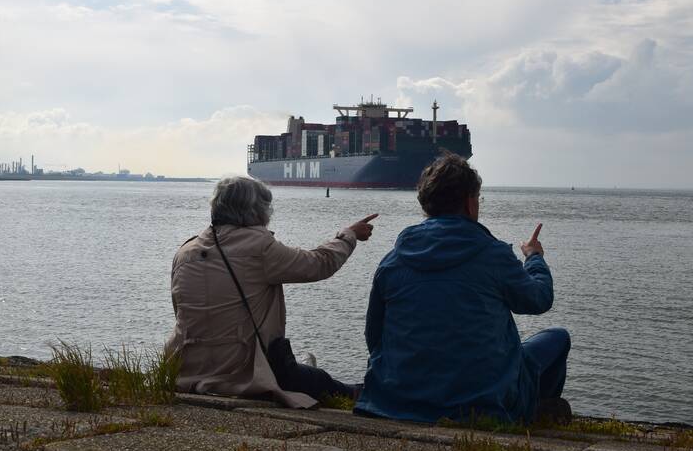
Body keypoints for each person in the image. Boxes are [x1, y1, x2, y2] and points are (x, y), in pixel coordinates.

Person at [354, 153, 571, 424]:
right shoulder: (493, 255)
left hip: (393, 401)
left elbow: (374, 336)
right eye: (478, 199)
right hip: (481, 404)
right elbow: (539, 299)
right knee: (557, 338)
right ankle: (529, 415)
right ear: (470, 202)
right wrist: (534, 257)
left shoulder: (392, 261)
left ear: (427, 205)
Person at [165, 176, 377, 408]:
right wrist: (349, 235)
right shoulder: (259, 248)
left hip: (185, 370)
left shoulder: (185, 252)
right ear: (256, 210)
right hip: (242, 371)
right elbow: (319, 264)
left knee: (306, 372)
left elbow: (180, 311)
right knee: (323, 382)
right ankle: (363, 395)